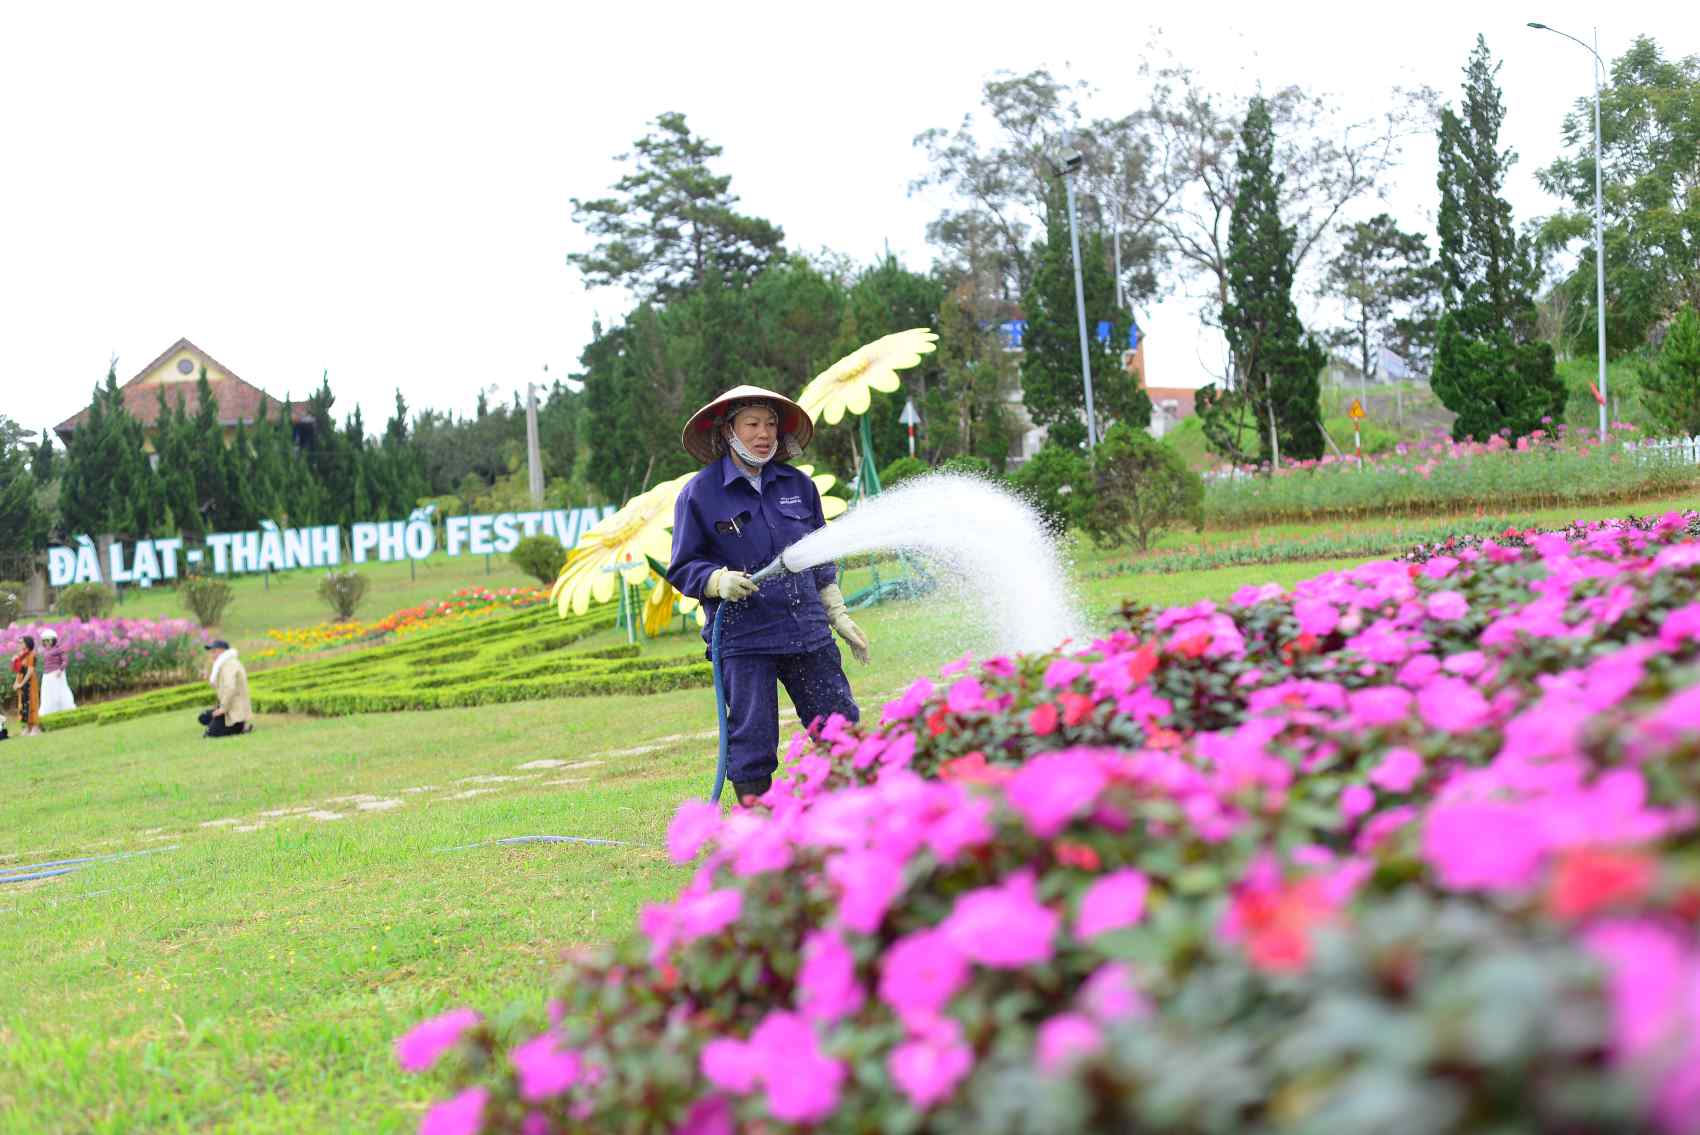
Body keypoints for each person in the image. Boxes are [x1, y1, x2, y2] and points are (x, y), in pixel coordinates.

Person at [667, 385, 870, 806]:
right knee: (753, 738)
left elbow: (820, 555)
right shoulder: (700, 494)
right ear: (728, 432)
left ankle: (856, 812)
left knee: (839, 725)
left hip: (808, 632)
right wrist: (716, 581)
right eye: (753, 424)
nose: (764, 433)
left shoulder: (798, 484)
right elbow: (683, 566)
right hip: (745, 638)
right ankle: (756, 825)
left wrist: (836, 611)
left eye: (771, 424)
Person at [199, 639, 252, 738]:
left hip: (234, 709)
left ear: (222, 651)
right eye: (211, 652)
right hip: (230, 705)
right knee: (203, 717)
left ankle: (242, 726)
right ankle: (225, 723)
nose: (211, 654)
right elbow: (222, 688)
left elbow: (230, 687)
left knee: (209, 734)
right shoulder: (223, 663)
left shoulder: (229, 665)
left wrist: (222, 709)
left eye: (214, 651)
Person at [38, 629, 76, 716]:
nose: (47, 643)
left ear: (53, 640)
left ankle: (65, 709)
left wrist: (60, 670)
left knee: (59, 692)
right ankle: (49, 711)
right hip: (47, 675)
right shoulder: (45, 651)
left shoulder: (59, 649)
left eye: (48, 640)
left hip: (57, 674)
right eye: (45, 641)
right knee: (48, 694)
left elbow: (65, 661)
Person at [11, 634, 41, 735]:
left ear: (27, 644)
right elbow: (19, 671)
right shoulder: (21, 656)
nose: (19, 644)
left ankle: (35, 727)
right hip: (22, 682)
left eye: (22, 642)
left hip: (30, 682)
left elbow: (30, 671)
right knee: (23, 704)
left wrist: (21, 684)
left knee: (32, 702)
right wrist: (16, 683)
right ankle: (28, 727)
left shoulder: (32, 655)